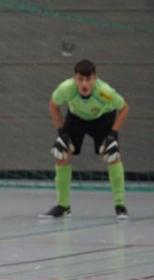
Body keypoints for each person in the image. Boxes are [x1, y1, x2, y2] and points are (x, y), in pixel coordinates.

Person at [40, 59, 130, 220]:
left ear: (95, 79)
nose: (84, 84)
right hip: (76, 118)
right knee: (62, 154)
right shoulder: (66, 88)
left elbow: (123, 108)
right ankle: (63, 206)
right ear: (74, 78)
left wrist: (113, 134)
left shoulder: (104, 91)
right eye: (80, 79)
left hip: (103, 118)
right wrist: (61, 132)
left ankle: (120, 205)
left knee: (113, 155)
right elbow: (53, 105)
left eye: (88, 79)